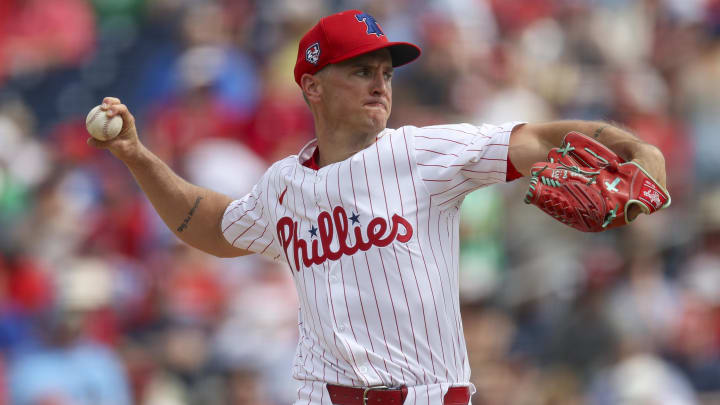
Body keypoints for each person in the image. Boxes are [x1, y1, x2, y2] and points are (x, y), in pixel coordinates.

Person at [87, 9, 668, 405]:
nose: (380, 85)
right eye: (361, 71)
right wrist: (138, 156)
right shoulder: (283, 186)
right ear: (312, 85)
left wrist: (641, 152)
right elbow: (210, 223)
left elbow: (544, 138)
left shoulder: (425, 151)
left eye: (386, 73)